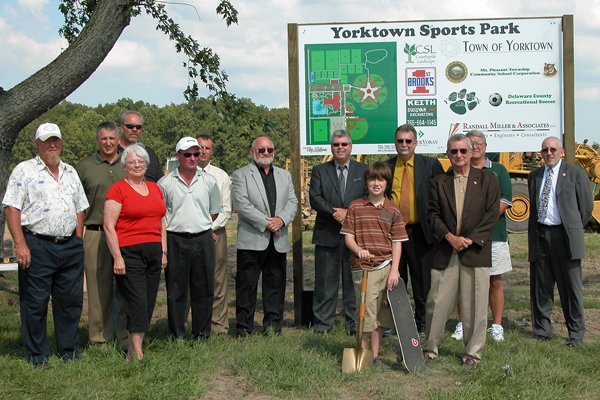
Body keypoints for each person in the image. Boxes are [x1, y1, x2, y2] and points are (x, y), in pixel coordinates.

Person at [3, 122, 89, 367]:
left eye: (56, 140)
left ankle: (69, 351)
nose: (53, 145)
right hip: (37, 245)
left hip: (69, 246)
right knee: (35, 302)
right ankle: (38, 355)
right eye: (47, 140)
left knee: (70, 302)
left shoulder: (70, 171)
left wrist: (78, 241)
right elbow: (12, 208)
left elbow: (79, 208)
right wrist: (20, 244)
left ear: (61, 142)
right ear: (37, 143)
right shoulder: (24, 170)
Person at [423, 133, 499, 369]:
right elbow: (432, 214)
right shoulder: (438, 182)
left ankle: (472, 354)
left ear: (471, 152)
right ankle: (429, 348)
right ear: (447, 154)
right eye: (453, 151)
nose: (459, 155)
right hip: (446, 251)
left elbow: (491, 214)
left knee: (474, 305)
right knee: (436, 302)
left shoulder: (488, 179)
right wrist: (449, 237)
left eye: (463, 151)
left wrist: (470, 240)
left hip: (475, 251)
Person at [341, 162, 408, 369]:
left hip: (386, 267)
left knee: (380, 315)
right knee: (365, 314)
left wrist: (394, 270)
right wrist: (357, 249)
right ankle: (361, 355)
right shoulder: (355, 206)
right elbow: (348, 238)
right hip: (364, 269)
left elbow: (397, 243)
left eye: (380, 180)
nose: (376, 183)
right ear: (366, 182)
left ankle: (375, 356)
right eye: (372, 179)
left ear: (386, 184)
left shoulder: (393, 210)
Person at [104, 143, 167, 361]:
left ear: (147, 164)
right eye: (131, 162)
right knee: (137, 301)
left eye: (140, 161)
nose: (137, 165)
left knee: (149, 301)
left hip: (154, 252)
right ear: (125, 165)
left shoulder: (155, 188)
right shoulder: (118, 189)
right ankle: (138, 353)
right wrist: (117, 257)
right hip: (129, 253)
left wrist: (164, 251)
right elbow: (109, 226)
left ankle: (132, 350)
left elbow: (161, 221)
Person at [528, 136, 593, 346]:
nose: (549, 153)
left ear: (562, 151)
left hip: (565, 236)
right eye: (545, 150)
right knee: (541, 286)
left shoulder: (576, 173)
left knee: (570, 288)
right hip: (541, 235)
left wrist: (571, 227)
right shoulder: (535, 176)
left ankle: (575, 333)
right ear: (541, 153)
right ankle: (542, 331)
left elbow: (586, 208)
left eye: (553, 149)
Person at [232, 137, 298, 337]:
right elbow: (242, 205)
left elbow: (293, 202)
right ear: (252, 151)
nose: (266, 152)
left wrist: (282, 220)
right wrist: (269, 223)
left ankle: (273, 326)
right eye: (261, 149)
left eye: (270, 149)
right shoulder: (241, 174)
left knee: (276, 285)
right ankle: (244, 327)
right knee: (246, 286)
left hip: (278, 241)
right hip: (252, 239)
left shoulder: (284, 175)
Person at [158, 137, 223, 340]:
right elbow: (161, 214)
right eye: (188, 154)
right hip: (176, 239)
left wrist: (198, 223)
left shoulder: (209, 181)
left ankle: (201, 334)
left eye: (196, 154)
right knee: (176, 290)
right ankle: (177, 334)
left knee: (203, 288)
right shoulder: (165, 183)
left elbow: (214, 212)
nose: (193, 158)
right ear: (178, 156)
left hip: (203, 238)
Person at [452, 130, 513, 342]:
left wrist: (476, 223)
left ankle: (496, 325)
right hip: (463, 238)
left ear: (485, 146)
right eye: (471, 144)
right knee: (463, 282)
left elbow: (504, 203)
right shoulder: (457, 171)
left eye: (479, 143)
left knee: (494, 281)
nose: (475, 147)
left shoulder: (499, 171)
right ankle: (463, 323)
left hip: (493, 236)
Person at [384, 124, 444, 335]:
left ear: (415, 143)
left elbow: (442, 197)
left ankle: (423, 324)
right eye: (400, 141)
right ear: (395, 143)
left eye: (408, 141)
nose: (404, 144)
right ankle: (398, 324)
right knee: (396, 280)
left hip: (422, 233)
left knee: (422, 282)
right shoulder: (387, 167)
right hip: (394, 234)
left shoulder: (431, 164)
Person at [76, 121, 128, 350]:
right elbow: (76, 204)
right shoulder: (84, 166)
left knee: (126, 287)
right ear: (97, 140)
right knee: (98, 289)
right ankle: (100, 339)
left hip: (125, 233)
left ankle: (126, 338)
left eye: (112, 138)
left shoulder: (128, 163)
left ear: (119, 139)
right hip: (96, 233)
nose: (108, 142)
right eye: (103, 138)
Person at [309, 130, 367, 335]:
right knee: (325, 282)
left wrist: (348, 213)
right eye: (336, 144)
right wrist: (336, 213)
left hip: (356, 237)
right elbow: (315, 198)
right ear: (331, 147)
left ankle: (353, 323)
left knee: (353, 282)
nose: (340, 148)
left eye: (344, 144)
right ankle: (323, 324)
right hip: (327, 234)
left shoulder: (364, 170)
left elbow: (369, 197)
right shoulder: (319, 170)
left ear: (351, 146)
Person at [196, 134, 232, 335]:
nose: (203, 151)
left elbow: (226, 209)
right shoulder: (182, 173)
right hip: (189, 234)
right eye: (199, 147)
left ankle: (218, 325)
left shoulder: (221, 176)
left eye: (207, 148)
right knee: (190, 280)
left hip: (215, 233)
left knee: (218, 279)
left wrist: (210, 229)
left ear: (211, 151)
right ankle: (189, 324)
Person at [118, 110, 163, 182]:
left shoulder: (150, 154)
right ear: (121, 128)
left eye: (138, 127)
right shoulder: (113, 154)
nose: (134, 129)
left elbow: (160, 182)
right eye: (130, 126)